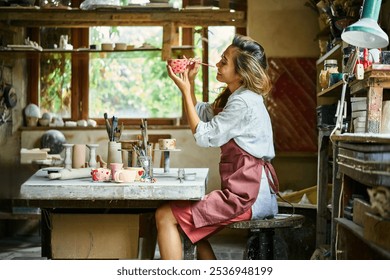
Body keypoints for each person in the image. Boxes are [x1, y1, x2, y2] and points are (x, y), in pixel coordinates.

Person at [155, 34, 279, 260]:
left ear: (241, 73)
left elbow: (203, 136)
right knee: (187, 226)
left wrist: (184, 90)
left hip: (247, 197)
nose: (217, 64)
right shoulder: (238, 97)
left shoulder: (243, 102)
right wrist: (189, 83)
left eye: (224, 61)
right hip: (248, 192)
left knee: (164, 215)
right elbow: (201, 113)